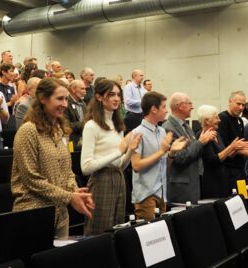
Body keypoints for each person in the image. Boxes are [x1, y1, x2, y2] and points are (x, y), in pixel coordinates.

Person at [11, 77, 95, 238]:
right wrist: (70, 197)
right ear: (42, 99)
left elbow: (67, 171)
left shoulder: (60, 130)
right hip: (34, 212)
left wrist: (75, 191)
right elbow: (31, 179)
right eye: (60, 98)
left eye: (66, 99)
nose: (64, 104)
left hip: (61, 214)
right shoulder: (28, 131)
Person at [81, 79, 141, 235]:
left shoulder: (117, 126)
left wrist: (130, 151)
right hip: (101, 181)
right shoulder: (91, 126)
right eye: (111, 94)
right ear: (100, 97)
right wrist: (119, 151)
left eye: (118, 95)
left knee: (117, 229)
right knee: (99, 231)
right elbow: (86, 167)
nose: (116, 99)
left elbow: (120, 164)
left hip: (119, 179)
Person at [130, 91, 187, 221]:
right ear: (154, 109)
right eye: (163, 107)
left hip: (162, 193)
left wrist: (172, 153)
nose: (166, 111)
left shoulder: (161, 131)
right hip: (146, 195)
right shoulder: (137, 133)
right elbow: (136, 165)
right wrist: (161, 152)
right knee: (150, 237)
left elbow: (164, 165)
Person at [162, 92, 216, 204]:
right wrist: (201, 141)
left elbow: (194, 151)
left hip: (194, 183)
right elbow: (180, 157)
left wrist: (202, 142)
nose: (192, 107)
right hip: (181, 188)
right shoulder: (168, 128)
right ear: (180, 106)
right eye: (190, 103)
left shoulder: (186, 126)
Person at [197, 105, 248, 198]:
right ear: (206, 121)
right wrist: (231, 147)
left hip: (223, 180)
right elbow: (213, 160)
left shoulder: (217, 134)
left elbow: (225, 158)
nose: (219, 120)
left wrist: (236, 148)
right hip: (212, 183)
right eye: (216, 117)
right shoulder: (203, 136)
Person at [218, 91, 248, 192]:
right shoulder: (222, 119)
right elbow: (224, 148)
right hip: (229, 171)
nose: (241, 108)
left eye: (243, 105)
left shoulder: (240, 121)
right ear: (230, 102)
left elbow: (240, 144)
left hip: (241, 169)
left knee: (243, 197)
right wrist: (246, 152)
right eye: (238, 104)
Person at [64, 80, 87, 150]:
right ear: (73, 90)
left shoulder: (83, 104)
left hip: (83, 142)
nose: (85, 91)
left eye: (85, 88)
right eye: (82, 88)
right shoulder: (65, 103)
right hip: (71, 142)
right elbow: (66, 126)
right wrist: (84, 124)